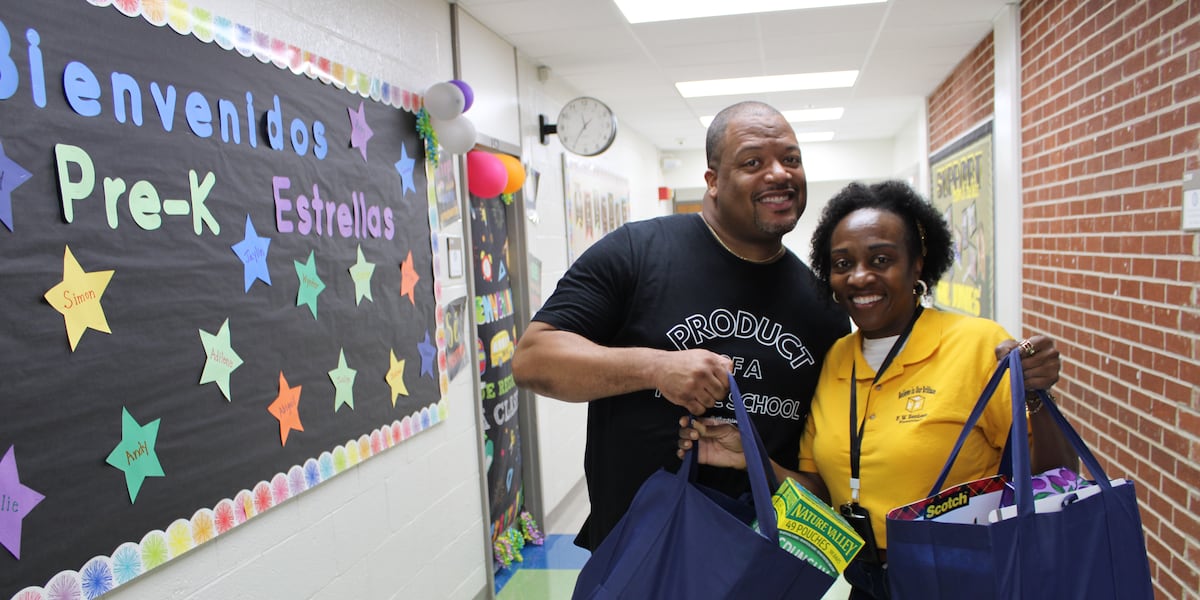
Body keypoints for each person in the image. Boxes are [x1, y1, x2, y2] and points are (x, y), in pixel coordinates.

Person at [512, 101, 1060, 553]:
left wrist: (751, 458)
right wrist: (655, 365)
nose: (778, 173)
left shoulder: (823, 308)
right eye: (753, 161)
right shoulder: (639, 251)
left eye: (790, 159)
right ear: (712, 180)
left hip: (767, 566)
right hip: (638, 554)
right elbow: (533, 359)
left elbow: (820, 469)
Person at [677, 180, 1078, 599]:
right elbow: (821, 489)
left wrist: (1036, 395)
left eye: (881, 259)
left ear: (917, 264)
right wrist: (753, 457)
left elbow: (1057, 479)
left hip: (967, 580)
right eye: (843, 263)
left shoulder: (976, 344)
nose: (860, 277)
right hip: (865, 582)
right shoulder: (836, 358)